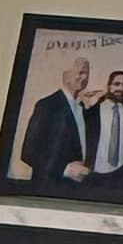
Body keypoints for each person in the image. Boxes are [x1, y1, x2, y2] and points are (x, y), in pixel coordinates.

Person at [18, 53, 95, 190]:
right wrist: (65, 170)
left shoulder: (82, 108)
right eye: (80, 72)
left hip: (75, 190)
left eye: (87, 74)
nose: (84, 78)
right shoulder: (47, 105)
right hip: (49, 188)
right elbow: (28, 152)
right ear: (66, 74)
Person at [84, 68, 123, 196]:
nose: (120, 88)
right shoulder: (93, 111)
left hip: (120, 176)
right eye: (117, 84)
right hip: (94, 175)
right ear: (108, 86)